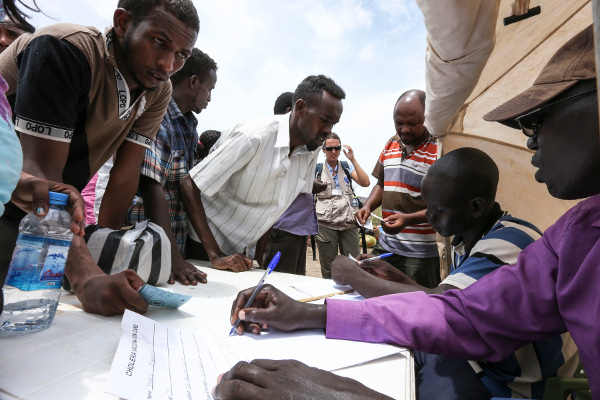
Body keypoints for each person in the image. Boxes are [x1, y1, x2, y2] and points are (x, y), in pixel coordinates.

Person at [216, 25, 600, 400]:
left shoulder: (510, 243)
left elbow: (455, 319)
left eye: (537, 120)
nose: (531, 138)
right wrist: (310, 314)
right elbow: (458, 315)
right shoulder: (576, 234)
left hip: (500, 382)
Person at [0, 0, 200, 316]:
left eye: (181, 54)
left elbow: (125, 174)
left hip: (42, 214)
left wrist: (107, 249)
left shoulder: (156, 91)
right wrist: (86, 277)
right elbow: (40, 173)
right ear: (122, 23)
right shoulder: (66, 48)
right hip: (20, 202)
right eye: (159, 42)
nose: (167, 63)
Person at [333, 147, 575, 398]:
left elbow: (438, 312)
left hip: (514, 381)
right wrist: (397, 277)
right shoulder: (469, 238)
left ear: (476, 207)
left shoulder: (508, 244)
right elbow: (453, 305)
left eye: (437, 209)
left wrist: (352, 274)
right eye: (427, 206)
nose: (428, 216)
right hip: (485, 360)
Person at [180, 75, 345, 272]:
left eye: (333, 124)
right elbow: (189, 184)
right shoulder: (255, 136)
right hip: (204, 245)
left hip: (242, 252)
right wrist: (215, 255)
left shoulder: (311, 149)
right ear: (300, 108)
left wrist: (258, 258)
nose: (328, 130)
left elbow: (275, 204)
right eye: (324, 120)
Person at [124, 48, 216, 286]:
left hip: (173, 240)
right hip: (146, 241)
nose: (209, 98)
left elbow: (183, 184)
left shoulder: (189, 125)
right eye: (210, 90)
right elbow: (149, 183)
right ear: (194, 82)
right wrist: (171, 256)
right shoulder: (159, 114)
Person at [356, 89, 441, 288]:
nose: (404, 130)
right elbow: (381, 184)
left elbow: (444, 205)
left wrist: (409, 219)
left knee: (416, 305)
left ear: (426, 118)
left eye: (412, 123)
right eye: (399, 122)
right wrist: (367, 207)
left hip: (421, 254)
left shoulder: (438, 150)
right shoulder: (391, 143)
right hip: (388, 246)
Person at [260, 91, 326, 275]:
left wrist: (310, 184)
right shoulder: (272, 144)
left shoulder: (305, 145)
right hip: (282, 227)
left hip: (297, 227)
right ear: (294, 111)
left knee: (292, 285)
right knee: (277, 286)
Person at [315, 133, 369, 278]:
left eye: (337, 148)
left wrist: (352, 159)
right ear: (323, 150)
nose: (333, 152)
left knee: (354, 266)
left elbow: (366, 183)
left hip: (349, 224)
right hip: (326, 226)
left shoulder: (347, 166)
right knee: (328, 268)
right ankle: (330, 299)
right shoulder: (317, 170)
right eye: (329, 148)